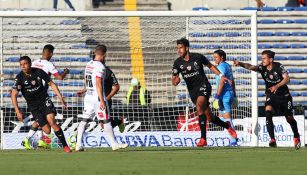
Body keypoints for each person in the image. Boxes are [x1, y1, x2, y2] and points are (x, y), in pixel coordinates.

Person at [172, 38, 237, 147]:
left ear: (187, 48)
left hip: (204, 86)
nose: (179, 50)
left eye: (181, 48)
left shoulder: (198, 57)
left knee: (199, 106)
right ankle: (227, 126)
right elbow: (174, 79)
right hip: (192, 91)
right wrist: (175, 81)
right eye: (177, 48)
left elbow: (211, 66)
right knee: (209, 117)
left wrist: (221, 75)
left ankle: (203, 139)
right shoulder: (177, 63)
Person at [233, 50, 301, 149]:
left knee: (289, 118)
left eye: (264, 58)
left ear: (271, 59)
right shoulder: (262, 67)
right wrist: (239, 63)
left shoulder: (278, 66)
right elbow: (250, 67)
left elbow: (287, 79)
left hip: (284, 96)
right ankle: (272, 139)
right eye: (262, 58)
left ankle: (296, 136)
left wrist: (276, 86)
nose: (262, 60)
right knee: (268, 112)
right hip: (271, 95)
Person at [11, 56, 71, 153]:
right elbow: (13, 95)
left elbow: (51, 84)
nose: (23, 66)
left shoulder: (38, 71)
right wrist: (17, 111)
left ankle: (65, 146)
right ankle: (36, 139)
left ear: (30, 64)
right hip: (33, 106)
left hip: (44, 100)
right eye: (21, 65)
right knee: (47, 130)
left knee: (52, 121)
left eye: (25, 64)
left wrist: (60, 97)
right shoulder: (19, 78)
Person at [75, 44, 128, 151]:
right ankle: (114, 144)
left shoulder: (88, 64)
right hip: (97, 97)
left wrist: (85, 89)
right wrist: (102, 100)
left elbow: (89, 81)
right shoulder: (100, 66)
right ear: (104, 55)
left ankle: (78, 145)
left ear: (95, 53)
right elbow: (98, 83)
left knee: (84, 120)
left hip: (88, 96)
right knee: (106, 121)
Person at [77, 51, 125, 133]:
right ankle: (115, 137)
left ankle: (119, 122)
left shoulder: (107, 72)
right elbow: (94, 84)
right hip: (95, 99)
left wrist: (107, 98)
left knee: (103, 124)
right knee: (102, 123)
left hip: (104, 100)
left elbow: (116, 87)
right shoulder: (93, 69)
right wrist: (85, 90)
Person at [212, 50, 238, 146]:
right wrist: (234, 95)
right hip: (229, 94)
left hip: (224, 95)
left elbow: (222, 81)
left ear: (222, 57)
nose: (214, 59)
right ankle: (233, 138)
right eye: (214, 57)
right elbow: (233, 81)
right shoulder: (227, 65)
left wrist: (217, 97)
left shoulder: (221, 66)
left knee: (227, 118)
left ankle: (234, 140)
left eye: (216, 57)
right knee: (221, 116)